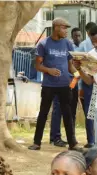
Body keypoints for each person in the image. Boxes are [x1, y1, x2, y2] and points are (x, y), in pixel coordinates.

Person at [28, 18, 79, 151]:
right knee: (43, 113)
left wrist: (77, 74)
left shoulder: (68, 44)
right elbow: (38, 65)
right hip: (49, 86)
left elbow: (70, 66)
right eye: (63, 28)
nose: (66, 31)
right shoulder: (44, 44)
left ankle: (73, 143)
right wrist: (48, 70)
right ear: (56, 27)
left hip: (64, 85)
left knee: (67, 114)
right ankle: (37, 142)